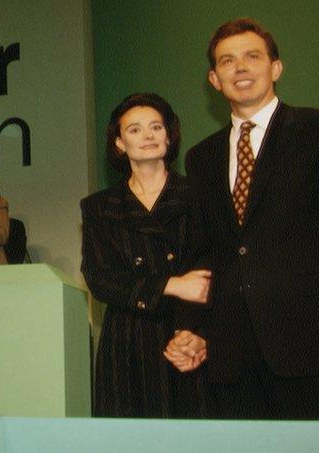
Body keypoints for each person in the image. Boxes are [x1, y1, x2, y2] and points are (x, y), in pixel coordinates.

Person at [176, 18, 319, 420]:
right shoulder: (201, 157)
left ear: (275, 68)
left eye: (252, 57)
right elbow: (207, 251)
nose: (240, 68)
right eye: (227, 61)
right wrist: (194, 328)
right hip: (232, 358)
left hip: (316, 350)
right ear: (214, 79)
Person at [80, 93, 210, 418]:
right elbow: (100, 279)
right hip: (127, 343)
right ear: (119, 143)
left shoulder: (201, 195)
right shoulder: (99, 207)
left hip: (189, 335)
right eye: (135, 130)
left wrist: (196, 331)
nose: (148, 136)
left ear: (169, 135)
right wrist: (172, 284)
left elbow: (214, 267)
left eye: (156, 127)